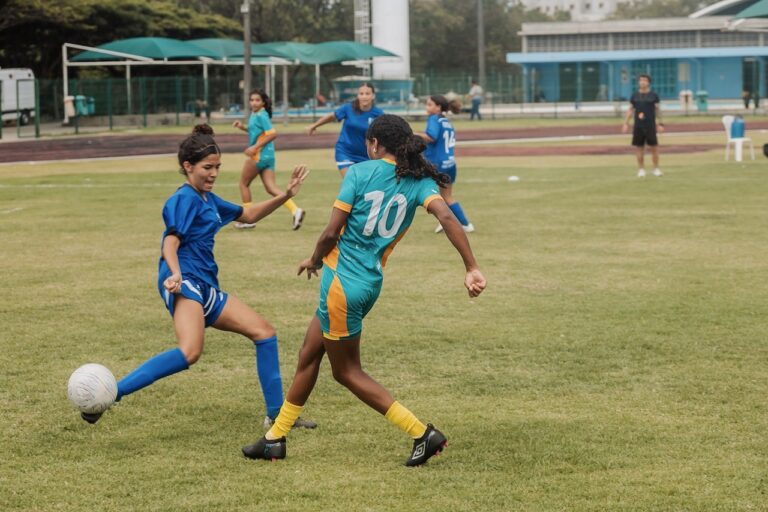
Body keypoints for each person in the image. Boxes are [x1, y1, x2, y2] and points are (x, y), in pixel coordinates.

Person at [242, 115, 487, 466]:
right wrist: (471, 267)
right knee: (309, 353)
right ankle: (275, 438)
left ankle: (422, 433)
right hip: (367, 283)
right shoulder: (418, 183)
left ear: (374, 144)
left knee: (346, 372)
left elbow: (330, 234)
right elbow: (448, 219)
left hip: (341, 283)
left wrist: (313, 259)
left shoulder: (358, 173)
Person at [80, 125, 316, 432]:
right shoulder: (184, 199)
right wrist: (175, 273)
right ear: (187, 167)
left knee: (265, 333)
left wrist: (285, 195)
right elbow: (170, 241)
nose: (214, 173)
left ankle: (276, 414)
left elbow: (248, 215)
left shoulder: (210, 199)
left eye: (218, 167)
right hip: (184, 280)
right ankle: (114, 394)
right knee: (190, 351)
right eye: (207, 167)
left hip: (205, 285)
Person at [233, 89, 305, 230]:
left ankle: (248, 218)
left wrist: (254, 148)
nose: (254, 102)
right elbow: (257, 132)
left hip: (259, 156)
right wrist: (243, 127)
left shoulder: (261, 115)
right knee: (271, 188)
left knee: (243, 184)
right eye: (252, 100)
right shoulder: (257, 114)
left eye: (257, 100)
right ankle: (296, 211)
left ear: (263, 102)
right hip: (269, 156)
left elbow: (272, 134)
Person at [416, 94, 474, 233]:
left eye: (430, 104)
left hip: (436, 164)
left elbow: (431, 137)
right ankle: (463, 223)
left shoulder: (434, 119)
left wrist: (411, 133)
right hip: (450, 164)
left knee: (417, 190)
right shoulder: (446, 121)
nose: (427, 107)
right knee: (446, 197)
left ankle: (454, 221)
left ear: (438, 107)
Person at [306, 82, 384, 177]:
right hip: (345, 152)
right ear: (358, 95)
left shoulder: (379, 114)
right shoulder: (348, 108)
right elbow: (332, 116)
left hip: (366, 156)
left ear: (373, 96)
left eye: (367, 94)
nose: (364, 97)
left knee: (363, 188)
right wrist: (314, 125)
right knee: (350, 181)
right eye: (361, 94)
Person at [622, 74, 664, 178]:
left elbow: (657, 110)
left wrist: (660, 123)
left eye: (645, 80)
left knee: (654, 147)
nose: (642, 82)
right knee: (639, 148)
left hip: (650, 125)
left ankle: (656, 169)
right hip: (638, 126)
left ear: (648, 82)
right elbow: (630, 110)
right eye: (641, 80)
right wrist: (626, 123)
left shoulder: (654, 95)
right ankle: (641, 169)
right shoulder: (634, 95)